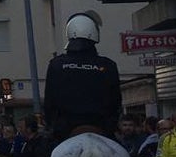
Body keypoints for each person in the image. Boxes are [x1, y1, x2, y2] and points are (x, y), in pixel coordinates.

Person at [43, 12, 122, 142]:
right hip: (101, 126)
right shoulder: (108, 65)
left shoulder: (56, 64)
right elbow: (116, 101)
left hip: (65, 129)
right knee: (124, 156)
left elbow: (49, 102)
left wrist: (51, 125)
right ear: (94, 34)